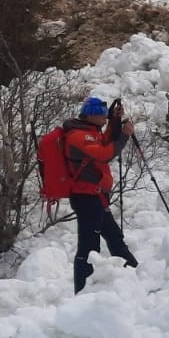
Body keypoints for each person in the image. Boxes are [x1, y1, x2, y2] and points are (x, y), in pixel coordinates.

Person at [64, 96, 138, 293]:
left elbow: (105, 140)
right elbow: (103, 153)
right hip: (86, 198)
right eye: (103, 115)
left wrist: (115, 122)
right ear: (92, 116)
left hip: (96, 197)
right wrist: (123, 136)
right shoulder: (78, 136)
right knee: (89, 246)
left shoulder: (91, 132)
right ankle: (83, 291)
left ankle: (134, 276)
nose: (105, 118)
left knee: (114, 238)